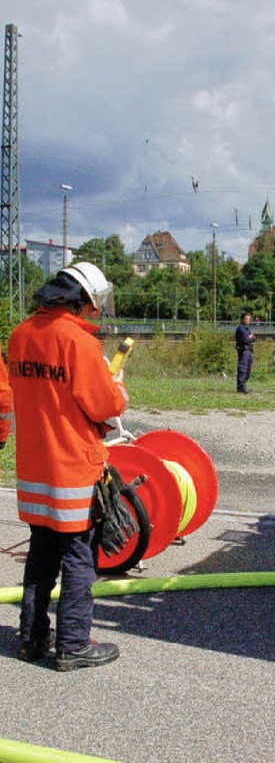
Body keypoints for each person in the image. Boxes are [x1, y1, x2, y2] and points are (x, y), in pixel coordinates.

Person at [8, 261, 128, 670]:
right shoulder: (78, 344)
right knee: (78, 557)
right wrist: (118, 389)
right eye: (93, 307)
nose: (94, 314)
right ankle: (74, 644)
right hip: (73, 470)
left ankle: (32, 638)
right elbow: (105, 406)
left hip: (33, 470)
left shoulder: (21, 336)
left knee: (41, 554)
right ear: (82, 303)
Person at [235, 311, 255, 394]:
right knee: (243, 369)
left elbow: (254, 338)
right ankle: (241, 386)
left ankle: (243, 385)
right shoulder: (241, 328)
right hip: (244, 351)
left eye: (249, 319)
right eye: (246, 319)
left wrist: (251, 337)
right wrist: (250, 337)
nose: (248, 320)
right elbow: (246, 340)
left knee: (248, 370)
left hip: (249, 351)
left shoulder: (247, 328)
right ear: (243, 319)